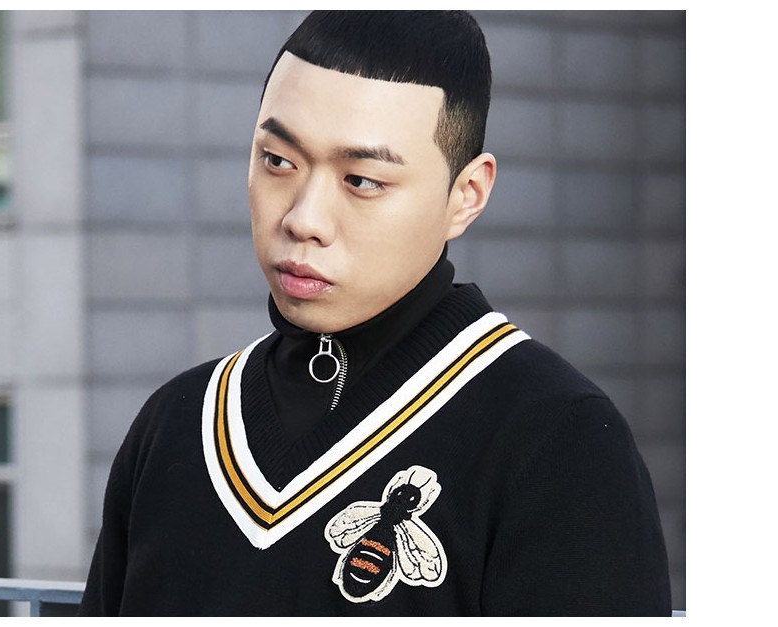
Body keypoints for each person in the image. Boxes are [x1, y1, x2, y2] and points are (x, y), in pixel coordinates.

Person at [78, 10, 671, 616]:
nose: (303, 219)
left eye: (362, 180)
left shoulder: (558, 439)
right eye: (278, 160)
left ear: (466, 196)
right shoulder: (177, 422)